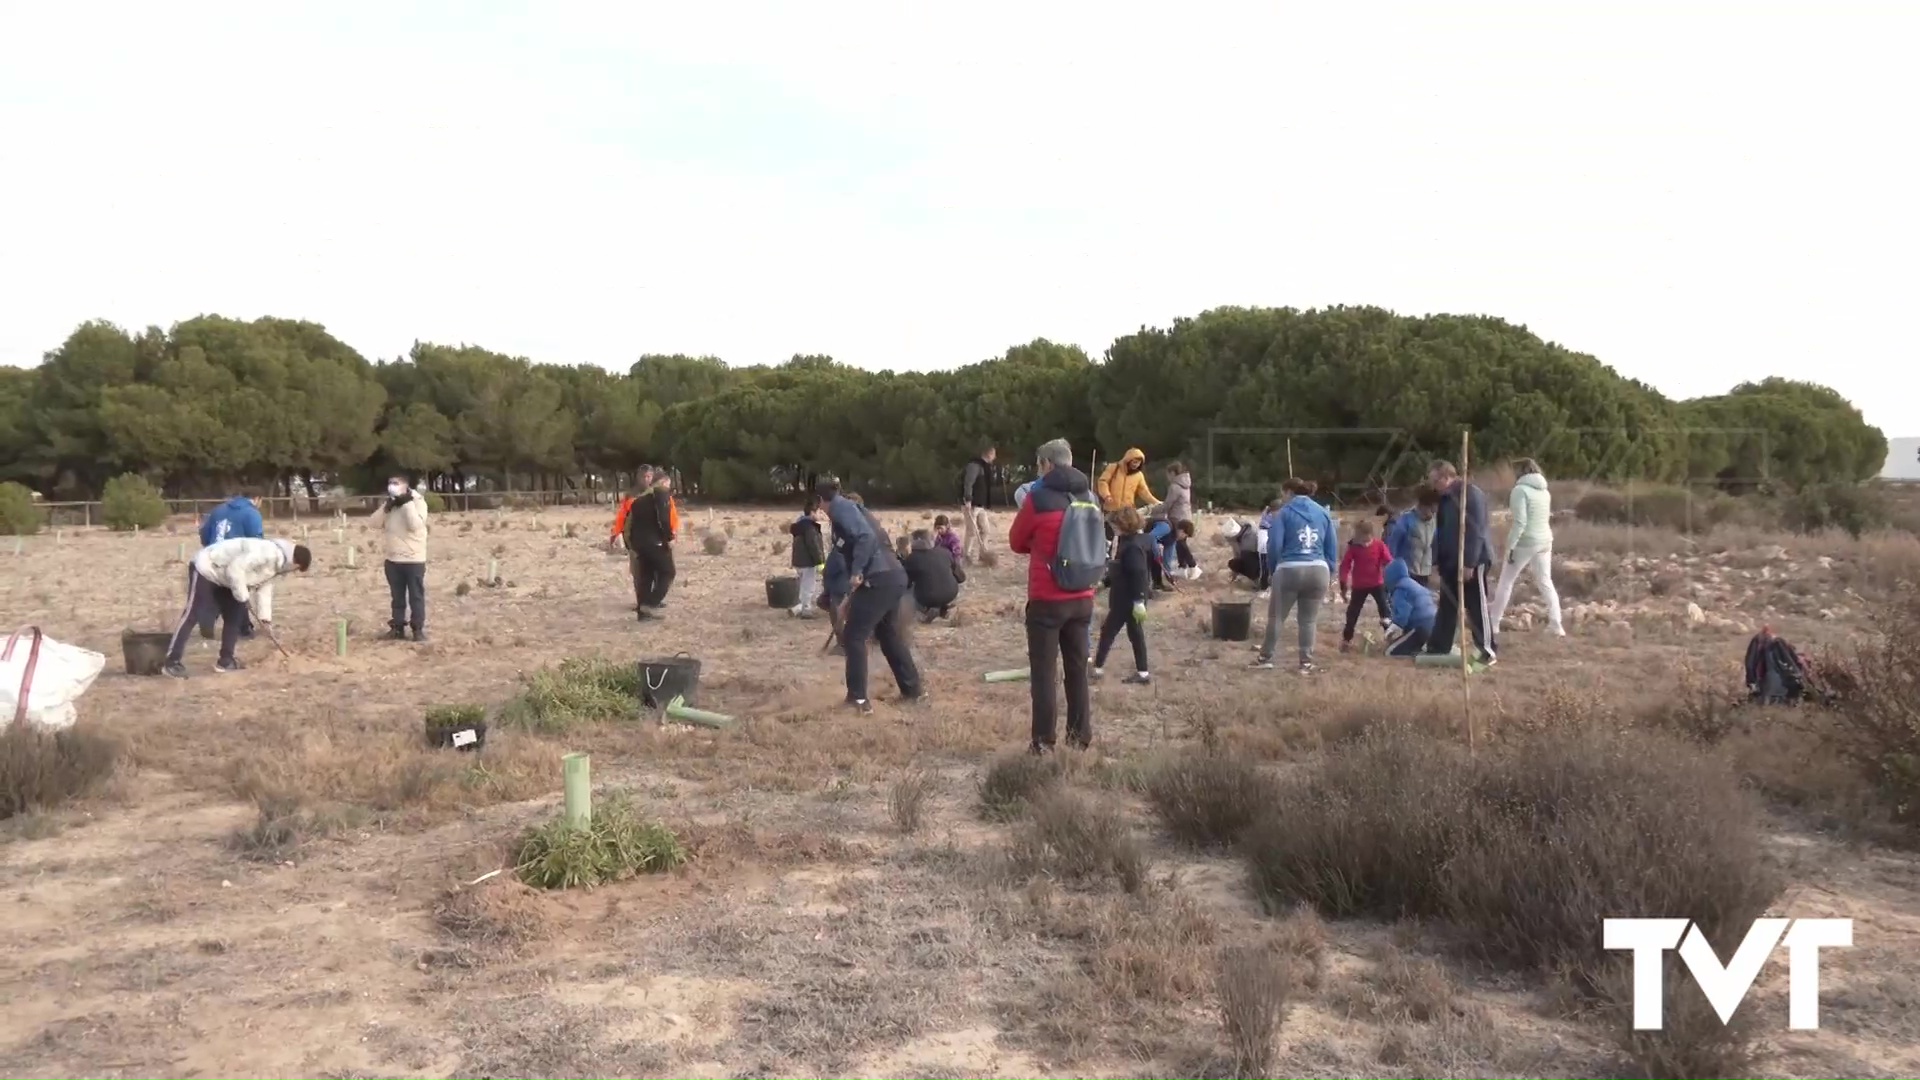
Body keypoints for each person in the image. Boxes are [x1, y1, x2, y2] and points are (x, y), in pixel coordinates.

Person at [1009, 438, 1102, 753]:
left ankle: (1044, 742)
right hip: (1083, 595)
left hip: (1047, 598)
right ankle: (1080, 738)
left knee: (1044, 673)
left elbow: (1016, 541)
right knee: (1077, 670)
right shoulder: (1090, 497)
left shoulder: (1038, 500)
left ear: (1046, 464)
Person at [819, 478, 923, 712]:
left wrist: (857, 573)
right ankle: (913, 691)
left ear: (821, 501)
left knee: (854, 635)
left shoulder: (841, 508)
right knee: (888, 635)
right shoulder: (854, 510)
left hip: (881, 578)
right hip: (891, 576)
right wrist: (850, 596)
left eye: (819, 505)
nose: (821, 510)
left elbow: (865, 539)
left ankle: (858, 701)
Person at [162, 538, 312, 678]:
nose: (293, 571)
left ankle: (226, 661)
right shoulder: (268, 553)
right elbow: (235, 568)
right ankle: (171, 662)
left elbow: (264, 589)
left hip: (227, 580)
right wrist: (243, 595)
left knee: (235, 615)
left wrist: (265, 619)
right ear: (295, 563)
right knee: (193, 613)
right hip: (207, 567)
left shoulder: (276, 566)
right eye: (297, 569)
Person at [1252, 479, 1339, 674]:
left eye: (1283, 494)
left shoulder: (1284, 513)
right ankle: (1305, 663)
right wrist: (1330, 569)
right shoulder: (1323, 513)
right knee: (1308, 620)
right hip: (1318, 569)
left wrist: (1274, 569)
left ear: (1289, 493)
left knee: (1277, 617)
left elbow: (1274, 545)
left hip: (1290, 568)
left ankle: (1265, 658)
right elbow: (1331, 546)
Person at [1425, 460, 1496, 665]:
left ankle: (1487, 650)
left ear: (1446, 477)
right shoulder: (1445, 499)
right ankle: (1438, 646)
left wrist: (1469, 563)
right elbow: (1440, 531)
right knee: (1447, 605)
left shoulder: (1470, 495)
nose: (1433, 485)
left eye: (1435, 480)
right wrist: (1437, 559)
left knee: (1476, 605)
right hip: (1450, 561)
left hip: (1473, 560)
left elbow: (1476, 531)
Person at [1488, 459, 1564, 637]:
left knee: (1506, 582)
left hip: (1526, 542)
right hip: (1545, 540)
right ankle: (1556, 625)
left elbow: (1520, 522)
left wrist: (1510, 546)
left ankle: (1493, 624)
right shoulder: (1544, 491)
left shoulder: (1519, 491)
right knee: (1545, 581)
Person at [1092, 506, 1153, 685]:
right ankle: (1142, 673)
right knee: (1133, 634)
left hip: (1127, 599)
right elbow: (1120, 569)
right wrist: (1104, 583)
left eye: (1114, 524)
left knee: (1109, 632)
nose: (1112, 528)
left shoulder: (1132, 547)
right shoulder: (1129, 542)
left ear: (1123, 525)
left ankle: (1097, 668)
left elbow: (1138, 573)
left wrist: (1139, 600)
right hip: (1126, 597)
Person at [195, 492, 263, 639]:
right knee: (237, 592)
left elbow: (205, 533)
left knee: (221, 591)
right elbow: (257, 540)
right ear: (257, 499)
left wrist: (210, 548)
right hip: (235, 558)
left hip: (213, 556)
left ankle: (209, 617)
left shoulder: (218, 510)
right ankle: (244, 628)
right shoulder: (251, 513)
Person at [377, 475, 430, 642]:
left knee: (416, 597)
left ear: (405, 486)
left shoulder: (418, 503)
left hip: (413, 559)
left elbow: (415, 525)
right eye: (390, 483)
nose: (391, 486)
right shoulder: (391, 504)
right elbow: (372, 523)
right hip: (393, 560)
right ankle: (397, 628)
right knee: (397, 598)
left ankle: (417, 630)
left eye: (396, 483)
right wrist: (386, 507)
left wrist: (406, 503)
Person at [625, 473, 677, 620]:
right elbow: (663, 518)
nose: (668, 487)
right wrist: (669, 537)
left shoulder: (638, 501)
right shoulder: (660, 494)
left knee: (646, 577)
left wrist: (631, 545)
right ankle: (650, 604)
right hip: (654, 541)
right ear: (662, 482)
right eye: (668, 483)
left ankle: (643, 615)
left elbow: (629, 524)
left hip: (639, 543)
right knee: (668, 572)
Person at [1338, 519, 1392, 652]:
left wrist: (1391, 577)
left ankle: (1391, 638)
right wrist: (1343, 583)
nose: (1361, 541)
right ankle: (1346, 640)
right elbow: (1345, 565)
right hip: (1359, 586)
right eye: (1358, 537)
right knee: (1352, 613)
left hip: (1377, 583)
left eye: (1363, 538)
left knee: (1384, 610)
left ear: (1370, 535)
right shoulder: (1353, 547)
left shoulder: (1379, 545)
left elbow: (1389, 561)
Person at [903, 529, 966, 622]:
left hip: (927, 598)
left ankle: (926, 610)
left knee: (906, 592)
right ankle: (943, 607)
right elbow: (961, 578)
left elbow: (906, 583)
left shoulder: (911, 559)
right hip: (951, 594)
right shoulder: (945, 552)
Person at [1382, 486, 1439, 585]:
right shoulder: (1406, 520)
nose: (1432, 514)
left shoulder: (1434, 522)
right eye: (1431, 510)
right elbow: (1393, 544)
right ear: (1422, 506)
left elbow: (1434, 543)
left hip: (1425, 570)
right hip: (1407, 570)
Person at [1383, 558, 1438, 657]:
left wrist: (1390, 629)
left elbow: (1402, 616)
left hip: (1420, 627)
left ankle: (1416, 653)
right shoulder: (1412, 584)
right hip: (1433, 625)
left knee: (1390, 651)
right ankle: (1418, 648)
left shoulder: (1400, 589)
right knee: (1403, 642)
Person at [1153, 462, 1199, 578]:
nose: (1167, 478)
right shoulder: (1185, 484)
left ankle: (1193, 566)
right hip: (1186, 516)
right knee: (1179, 543)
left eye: (1168, 475)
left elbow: (1168, 504)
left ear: (1173, 473)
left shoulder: (1174, 487)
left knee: (1180, 543)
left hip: (1177, 518)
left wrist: (1153, 510)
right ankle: (1182, 567)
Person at [788, 495, 827, 618]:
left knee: (803, 586)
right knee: (809, 587)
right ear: (812, 513)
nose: (821, 515)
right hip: (808, 562)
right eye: (819, 512)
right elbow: (813, 546)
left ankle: (797, 608)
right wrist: (820, 562)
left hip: (799, 562)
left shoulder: (799, 526)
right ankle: (806, 610)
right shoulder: (810, 528)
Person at [959, 444, 997, 563]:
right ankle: (967, 555)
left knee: (985, 530)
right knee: (971, 531)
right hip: (971, 504)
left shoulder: (985, 467)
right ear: (989, 454)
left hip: (981, 505)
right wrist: (968, 499)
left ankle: (983, 553)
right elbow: (968, 483)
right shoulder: (974, 466)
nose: (994, 457)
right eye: (994, 454)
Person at [1224, 517, 1270, 592]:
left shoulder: (1251, 536)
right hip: (1251, 556)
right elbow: (1237, 554)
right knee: (1234, 563)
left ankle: (1260, 581)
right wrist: (1234, 573)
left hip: (1261, 559)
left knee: (1247, 559)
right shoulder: (1238, 534)